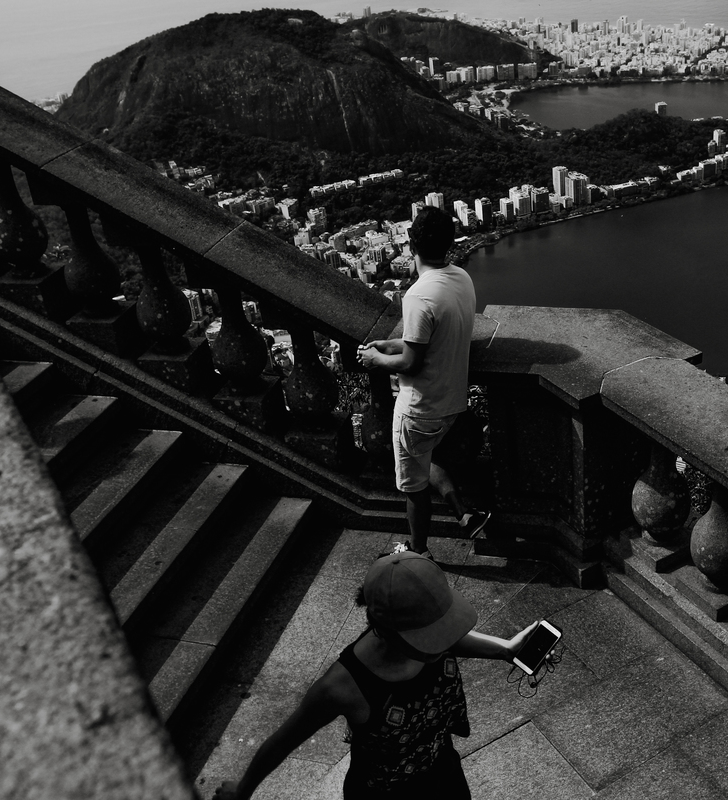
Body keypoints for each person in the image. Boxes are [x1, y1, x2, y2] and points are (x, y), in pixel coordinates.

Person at [214, 551, 539, 799]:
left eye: (443, 627)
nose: (442, 643)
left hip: (443, 770)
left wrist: (506, 649)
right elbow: (281, 742)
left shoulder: (430, 636)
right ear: (386, 629)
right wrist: (241, 791)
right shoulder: (342, 687)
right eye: (430, 636)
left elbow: (449, 637)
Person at [358, 206, 488, 558]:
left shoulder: (418, 295)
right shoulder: (461, 278)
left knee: (413, 486)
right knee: (422, 457)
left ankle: (418, 552)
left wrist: (375, 359)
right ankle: (464, 513)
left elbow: (411, 363)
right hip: (452, 401)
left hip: (419, 407)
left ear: (411, 244)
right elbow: (434, 339)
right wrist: (392, 345)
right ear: (449, 244)